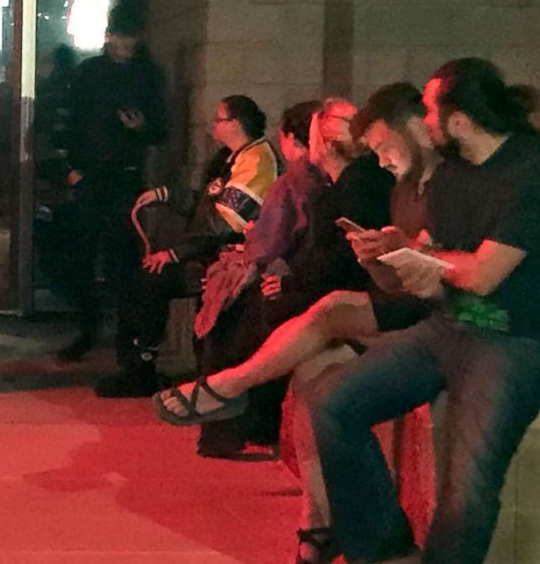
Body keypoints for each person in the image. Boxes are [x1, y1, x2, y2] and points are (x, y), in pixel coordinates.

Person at [154, 83, 442, 564]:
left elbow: (440, 276)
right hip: (390, 305)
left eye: (383, 148)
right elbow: (384, 276)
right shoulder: (395, 185)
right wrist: (381, 252)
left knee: (308, 319)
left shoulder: (383, 183)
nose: (380, 160)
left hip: (427, 320)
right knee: (313, 377)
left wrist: (392, 254)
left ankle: (230, 388)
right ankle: (319, 521)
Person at [307, 59, 540, 564]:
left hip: (516, 341)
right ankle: (382, 550)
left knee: (466, 490)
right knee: (333, 402)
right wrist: (396, 256)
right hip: (449, 327)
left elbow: (484, 274)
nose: (424, 119)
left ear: (461, 119)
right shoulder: (451, 177)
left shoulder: (533, 172)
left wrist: (431, 262)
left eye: (431, 109)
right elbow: (436, 270)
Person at [193, 98, 394, 458]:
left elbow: (324, 256)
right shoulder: (338, 182)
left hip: (342, 291)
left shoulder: (342, 184)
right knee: (248, 309)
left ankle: (227, 415)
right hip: (317, 281)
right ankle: (231, 414)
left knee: (246, 312)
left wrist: (284, 281)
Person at [94, 95, 280, 397]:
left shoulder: (256, 161)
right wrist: (168, 194)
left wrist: (175, 253)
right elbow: (206, 204)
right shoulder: (228, 158)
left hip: (226, 255)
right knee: (134, 279)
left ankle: (142, 368)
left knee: (152, 279)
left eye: (219, 119)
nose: (213, 125)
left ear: (237, 124)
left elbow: (222, 224)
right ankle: (133, 366)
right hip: (205, 247)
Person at [59, 6, 168, 361]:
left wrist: (141, 128)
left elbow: (162, 129)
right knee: (82, 257)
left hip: (124, 175)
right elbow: (71, 121)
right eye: (120, 37)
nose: (124, 45)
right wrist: (72, 168)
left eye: (130, 39)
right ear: (108, 36)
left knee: (123, 260)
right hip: (92, 175)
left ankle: (125, 337)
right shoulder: (90, 72)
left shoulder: (148, 75)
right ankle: (88, 329)